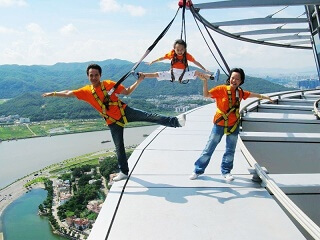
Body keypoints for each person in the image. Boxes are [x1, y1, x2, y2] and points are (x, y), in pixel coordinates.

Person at [42, 63, 186, 181]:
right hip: (112, 121)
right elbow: (68, 93)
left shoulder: (110, 84)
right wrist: (53, 93)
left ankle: (176, 122)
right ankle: (123, 171)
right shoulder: (86, 91)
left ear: (100, 75)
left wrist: (139, 81)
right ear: (88, 76)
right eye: (91, 75)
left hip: (124, 111)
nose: (93, 77)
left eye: (96, 75)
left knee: (149, 116)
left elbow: (127, 92)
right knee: (119, 146)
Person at [189, 68, 273, 181]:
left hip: (233, 124)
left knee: (230, 149)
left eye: (237, 79)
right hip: (219, 124)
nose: (234, 80)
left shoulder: (240, 92)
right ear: (229, 78)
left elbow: (251, 94)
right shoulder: (221, 89)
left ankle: (226, 171)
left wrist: (263, 97)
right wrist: (205, 81)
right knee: (209, 148)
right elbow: (206, 95)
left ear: (241, 81)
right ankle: (197, 170)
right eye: (233, 78)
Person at [138, 39, 217, 83]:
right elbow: (163, 58)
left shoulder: (186, 55)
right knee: (157, 74)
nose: (180, 51)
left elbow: (195, 62)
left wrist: (204, 69)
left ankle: (212, 77)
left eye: (182, 49)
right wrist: (153, 61)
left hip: (183, 75)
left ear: (185, 49)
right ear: (174, 49)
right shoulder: (172, 54)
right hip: (172, 74)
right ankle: (142, 75)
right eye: (178, 50)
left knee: (197, 73)